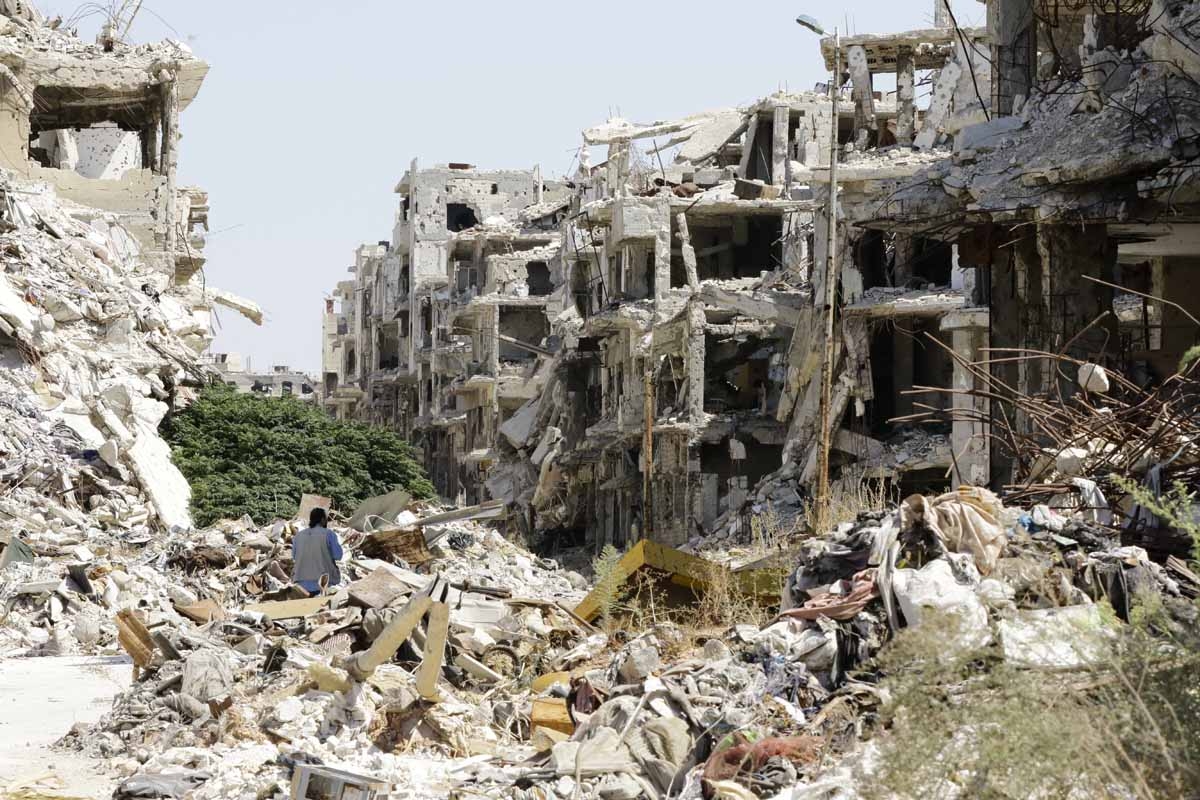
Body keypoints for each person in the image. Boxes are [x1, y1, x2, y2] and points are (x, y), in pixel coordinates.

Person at [291, 508, 343, 595]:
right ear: (323, 519)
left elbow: (294, 556)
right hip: (324, 584)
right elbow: (338, 556)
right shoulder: (328, 534)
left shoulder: (298, 536)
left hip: (301, 584)